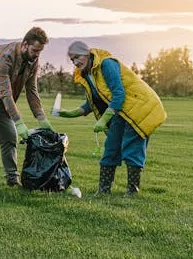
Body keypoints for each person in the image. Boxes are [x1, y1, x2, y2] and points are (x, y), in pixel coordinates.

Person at [58, 41, 166, 196]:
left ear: (87, 53)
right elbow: (93, 101)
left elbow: (118, 94)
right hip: (120, 111)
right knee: (111, 148)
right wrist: (70, 113)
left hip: (139, 107)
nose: (75, 62)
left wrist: (103, 120)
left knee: (132, 148)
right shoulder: (87, 74)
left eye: (77, 57)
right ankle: (103, 190)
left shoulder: (106, 64)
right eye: (72, 59)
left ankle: (132, 191)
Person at [0, 27, 53, 188]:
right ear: (25, 45)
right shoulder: (5, 56)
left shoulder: (33, 61)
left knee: (10, 137)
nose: (37, 55)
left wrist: (41, 117)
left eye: (40, 51)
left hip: (0, 98)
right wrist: (18, 121)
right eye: (35, 50)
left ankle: (12, 180)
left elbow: (32, 91)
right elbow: (5, 92)